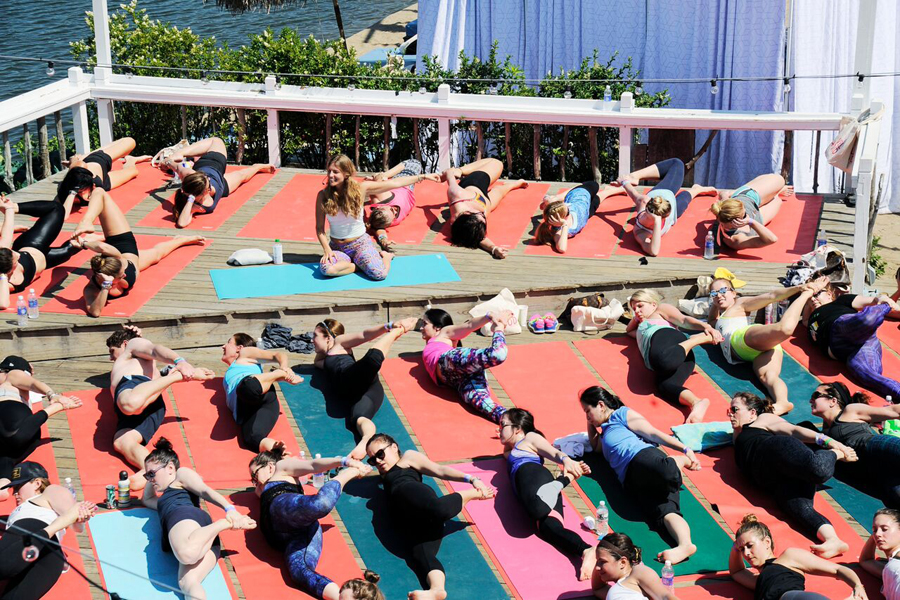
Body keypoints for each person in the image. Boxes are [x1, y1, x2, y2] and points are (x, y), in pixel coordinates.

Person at [366, 433, 494, 600]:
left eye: (380, 454)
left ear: (394, 447)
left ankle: (469, 495)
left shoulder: (407, 459)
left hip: (411, 492)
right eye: (372, 460)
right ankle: (437, 590)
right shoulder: (382, 472)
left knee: (438, 510)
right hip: (412, 519)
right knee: (421, 555)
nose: (377, 461)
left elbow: (440, 470)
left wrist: (472, 479)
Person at [580, 386, 700, 564]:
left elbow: (653, 433)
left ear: (601, 405)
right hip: (631, 480)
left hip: (642, 459)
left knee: (666, 471)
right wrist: (591, 422)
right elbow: (596, 446)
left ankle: (678, 461)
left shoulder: (620, 415)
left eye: (588, 411)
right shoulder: (604, 434)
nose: (587, 416)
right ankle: (685, 545)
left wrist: (685, 449)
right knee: (664, 513)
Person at [728, 391, 856, 558]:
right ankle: (833, 540)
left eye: (735, 409)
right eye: (729, 411)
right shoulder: (737, 436)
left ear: (753, 413)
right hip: (775, 479)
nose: (730, 414)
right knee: (797, 508)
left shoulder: (762, 419)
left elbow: (793, 430)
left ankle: (835, 454)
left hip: (775, 450)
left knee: (817, 470)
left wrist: (832, 443)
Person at [248, 444, 371, 599]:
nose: (254, 482)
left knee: (321, 504)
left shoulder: (281, 467)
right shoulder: (261, 488)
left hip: (292, 515)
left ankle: (345, 475)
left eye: (255, 475)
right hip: (284, 535)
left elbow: (313, 465)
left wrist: (346, 462)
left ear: (270, 466)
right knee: (299, 572)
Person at [141, 438, 256, 600]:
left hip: (184, 517)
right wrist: (150, 473)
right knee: (187, 582)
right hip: (204, 536)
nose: (150, 479)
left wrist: (229, 509)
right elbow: (146, 499)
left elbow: (204, 490)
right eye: (147, 476)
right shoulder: (162, 500)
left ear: (170, 468)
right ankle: (220, 526)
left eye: (152, 474)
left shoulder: (180, 475)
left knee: (186, 554)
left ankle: (224, 524)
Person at [106, 325, 214, 490]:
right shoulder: (142, 361)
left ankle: (177, 375)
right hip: (148, 400)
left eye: (112, 351)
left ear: (124, 343)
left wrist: (180, 362)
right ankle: (154, 469)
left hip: (133, 388)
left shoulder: (132, 345)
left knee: (129, 404)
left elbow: (155, 349)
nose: (110, 358)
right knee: (122, 441)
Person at [71, 191, 205, 317]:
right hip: (132, 259)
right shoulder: (92, 288)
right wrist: (106, 286)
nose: (124, 273)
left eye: (123, 272)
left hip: (123, 245)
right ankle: (182, 239)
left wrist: (84, 243)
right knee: (157, 254)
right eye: (121, 275)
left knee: (100, 192)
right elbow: (95, 312)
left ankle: (86, 222)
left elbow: (102, 248)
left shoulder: (120, 258)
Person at [499, 408, 596, 579]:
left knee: (535, 512)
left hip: (534, 476)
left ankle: (565, 478)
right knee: (549, 529)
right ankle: (586, 549)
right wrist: (507, 436)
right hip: (543, 490)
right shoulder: (513, 449)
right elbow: (506, 452)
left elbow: (555, 453)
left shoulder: (530, 438)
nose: (498, 429)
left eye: (502, 424)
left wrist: (567, 461)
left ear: (518, 428)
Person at [708, 277, 826, 415]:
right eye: (714, 293)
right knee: (768, 377)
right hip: (751, 353)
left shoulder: (739, 304)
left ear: (733, 293)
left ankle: (806, 294)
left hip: (745, 337)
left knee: (784, 329)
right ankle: (783, 402)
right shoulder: (718, 320)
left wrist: (800, 288)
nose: (719, 295)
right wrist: (717, 301)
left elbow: (772, 296)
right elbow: (711, 320)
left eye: (723, 290)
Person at [317, 154, 439, 280]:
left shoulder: (361, 189)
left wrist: (423, 176)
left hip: (360, 244)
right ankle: (359, 265)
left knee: (379, 274)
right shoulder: (323, 195)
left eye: (335, 172)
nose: (331, 175)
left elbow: (395, 183)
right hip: (337, 247)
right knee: (327, 269)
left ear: (346, 173)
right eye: (329, 171)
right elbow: (320, 228)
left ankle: (385, 256)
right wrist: (327, 250)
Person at [313, 317, 418, 459]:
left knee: (372, 359)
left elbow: (365, 335)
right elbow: (317, 361)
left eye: (315, 336)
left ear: (328, 338)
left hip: (358, 378)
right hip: (358, 392)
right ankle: (366, 440)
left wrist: (390, 326)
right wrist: (323, 347)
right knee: (358, 418)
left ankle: (397, 331)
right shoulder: (325, 360)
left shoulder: (339, 343)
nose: (311, 339)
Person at [0, 461, 98, 600]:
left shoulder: (48, 492)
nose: (15, 493)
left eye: (19, 487)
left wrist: (80, 515)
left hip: (38, 538)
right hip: (42, 550)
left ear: (37, 483)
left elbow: (76, 524)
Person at [626, 289, 723, 423]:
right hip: (678, 356)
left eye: (640, 305)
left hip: (668, 339)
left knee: (662, 363)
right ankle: (696, 402)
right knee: (664, 386)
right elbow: (629, 330)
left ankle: (698, 339)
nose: (636, 310)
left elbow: (683, 320)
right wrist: (637, 317)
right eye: (633, 308)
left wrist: (706, 327)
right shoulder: (641, 326)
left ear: (653, 304)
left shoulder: (659, 310)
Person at [0, 356, 82, 501]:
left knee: (7, 452)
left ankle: (3, 482)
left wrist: (51, 394)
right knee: (9, 452)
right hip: (16, 428)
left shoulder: (9, 377)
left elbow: (32, 383)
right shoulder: (9, 378)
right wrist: (52, 395)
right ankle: (3, 484)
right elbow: (32, 383)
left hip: (13, 430)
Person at [729, 514, 867, 600]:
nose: (746, 553)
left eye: (750, 545)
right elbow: (736, 572)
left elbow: (838, 569)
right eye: (742, 549)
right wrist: (736, 548)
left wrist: (858, 586)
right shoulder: (758, 580)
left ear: (766, 542)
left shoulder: (788, 557)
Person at [802, 280, 900, 399]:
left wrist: (883, 298)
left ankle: (885, 307)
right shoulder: (810, 320)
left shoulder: (841, 301)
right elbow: (804, 320)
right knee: (869, 375)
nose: (813, 299)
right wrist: (807, 298)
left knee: (866, 320)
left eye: (817, 294)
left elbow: (873, 300)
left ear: (829, 294)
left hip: (845, 327)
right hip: (844, 351)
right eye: (809, 298)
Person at [808, 382, 900, 508]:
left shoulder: (849, 411)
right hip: (875, 476)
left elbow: (893, 410)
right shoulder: (820, 435)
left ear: (833, 401)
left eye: (816, 395)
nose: (810, 400)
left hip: (877, 448)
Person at [418, 308, 512, 424]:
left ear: (437, 327)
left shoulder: (443, 332)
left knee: (497, 355)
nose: (421, 328)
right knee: (486, 405)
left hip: (449, 361)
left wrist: (490, 316)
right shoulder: (432, 343)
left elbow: (469, 325)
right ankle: (513, 423)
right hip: (456, 380)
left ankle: (499, 329)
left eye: (425, 324)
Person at [158, 136, 275, 228]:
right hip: (222, 185)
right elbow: (182, 223)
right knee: (242, 175)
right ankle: (257, 167)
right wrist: (191, 204)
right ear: (199, 194)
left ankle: (181, 153)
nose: (209, 183)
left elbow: (177, 167)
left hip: (213, 163)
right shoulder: (192, 203)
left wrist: (168, 161)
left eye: (207, 180)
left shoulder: (190, 175)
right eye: (208, 187)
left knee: (217, 141)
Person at [614, 158, 718, 256]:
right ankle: (697, 189)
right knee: (685, 199)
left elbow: (631, 191)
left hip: (663, 193)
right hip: (671, 212)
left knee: (677, 164)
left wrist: (624, 181)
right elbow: (654, 251)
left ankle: (634, 176)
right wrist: (657, 221)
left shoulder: (644, 201)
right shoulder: (641, 232)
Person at [221, 333, 304, 453]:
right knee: (251, 439)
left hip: (252, 388)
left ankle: (279, 374)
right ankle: (278, 452)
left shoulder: (244, 354)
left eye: (228, 342)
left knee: (246, 388)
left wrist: (284, 368)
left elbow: (278, 354)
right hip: (248, 406)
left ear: (239, 348)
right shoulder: (231, 370)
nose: (223, 346)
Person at [0, 196, 81, 307]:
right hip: (46, 259)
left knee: (56, 209)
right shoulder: (6, 283)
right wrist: (3, 276)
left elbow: (7, 233)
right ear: (9, 270)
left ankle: (16, 207)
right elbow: (3, 304)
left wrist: (9, 209)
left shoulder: (4, 252)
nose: (18, 255)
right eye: (16, 260)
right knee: (73, 248)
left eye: (14, 253)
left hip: (32, 245)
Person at [443, 158, 528, 258]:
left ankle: (461, 169)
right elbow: (479, 238)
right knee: (500, 191)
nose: (483, 214)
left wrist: (454, 172)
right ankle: (513, 184)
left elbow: (449, 174)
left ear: (467, 214)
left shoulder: (457, 195)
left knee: (497, 163)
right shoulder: (471, 228)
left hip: (474, 185)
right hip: (487, 203)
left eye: (480, 215)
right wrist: (494, 248)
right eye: (484, 218)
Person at [533, 182, 625, 253]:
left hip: (580, 194)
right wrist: (564, 225)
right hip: (585, 213)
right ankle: (612, 190)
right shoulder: (559, 230)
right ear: (563, 217)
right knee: (598, 199)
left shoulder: (561, 221)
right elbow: (562, 249)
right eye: (568, 210)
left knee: (595, 185)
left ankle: (552, 199)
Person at [710, 174, 793, 252]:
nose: (746, 213)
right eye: (744, 215)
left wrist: (726, 195)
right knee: (778, 201)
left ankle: (774, 192)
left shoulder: (724, 209)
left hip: (748, 196)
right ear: (736, 221)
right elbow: (772, 239)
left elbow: (723, 194)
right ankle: (776, 193)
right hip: (758, 217)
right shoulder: (736, 239)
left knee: (780, 180)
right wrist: (751, 222)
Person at [364, 158, 430, 251]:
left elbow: (373, 188)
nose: (395, 211)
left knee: (378, 183)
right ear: (391, 222)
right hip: (407, 188)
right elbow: (380, 231)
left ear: (380, 207)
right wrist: (384, 241)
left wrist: (378, 178)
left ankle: (382, 178)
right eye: (394, 215)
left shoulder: (383, 200)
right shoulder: (384, 222)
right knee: (416, 163)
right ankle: (382, 179)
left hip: (399, 184)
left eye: (391, 209)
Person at [592, 532, 682, 600]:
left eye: (602, 561)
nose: (596, 567)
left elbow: (665, 596)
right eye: (596, 561)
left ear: (622, 562)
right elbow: (598, 588)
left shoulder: (638, 572)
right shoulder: (621, 585)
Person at [860, 508, 900, 600]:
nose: (877, 534)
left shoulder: (894, 568)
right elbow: (866, 560)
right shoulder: (891, 567)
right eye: (874, 530)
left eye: (884, 529)